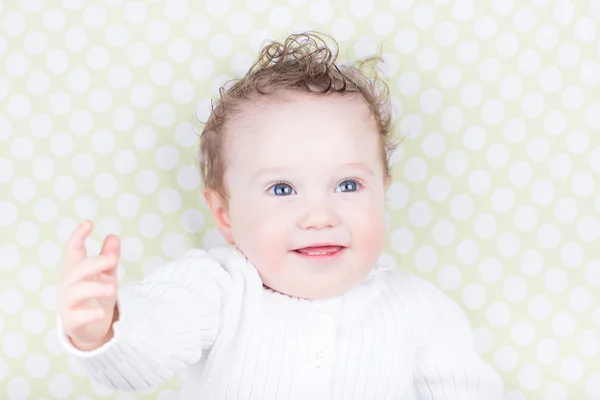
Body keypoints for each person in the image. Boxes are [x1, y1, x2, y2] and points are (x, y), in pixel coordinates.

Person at [57, 31, 503, 399]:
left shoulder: (417, 308)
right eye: (282, 189)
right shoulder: (217, 288)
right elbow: (145, 353)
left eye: (348, 185)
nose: (319, 215)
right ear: (224, 214)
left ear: (382, 193)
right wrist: (104, 329)